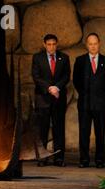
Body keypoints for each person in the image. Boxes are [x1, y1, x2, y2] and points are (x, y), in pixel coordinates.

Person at [73, 33, 105, 168]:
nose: (93, 46)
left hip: (100, 103)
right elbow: (76, 81)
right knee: (84, 132)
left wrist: (100, 94)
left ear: (99, 44)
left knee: (100, 133)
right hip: (84, 103)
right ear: (87, 45)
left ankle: (99, 160)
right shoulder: (80, 61)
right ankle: (84, 160)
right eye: (90, 44)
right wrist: (85, 94)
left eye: (95, 43)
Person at [32, 34, 70, 167]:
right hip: (43, 98)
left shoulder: (64, 58)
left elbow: (66, 76)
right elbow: (36, 77)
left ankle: (59, 158)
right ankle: (42, 158)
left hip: (58, 99)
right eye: (49, 44)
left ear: (57, 44)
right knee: (43, 129)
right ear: (44, 45)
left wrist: (57, 87)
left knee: (59, 129)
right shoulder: (37, 58)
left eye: (54, 44)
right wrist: (49, 88)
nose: (51, 47)